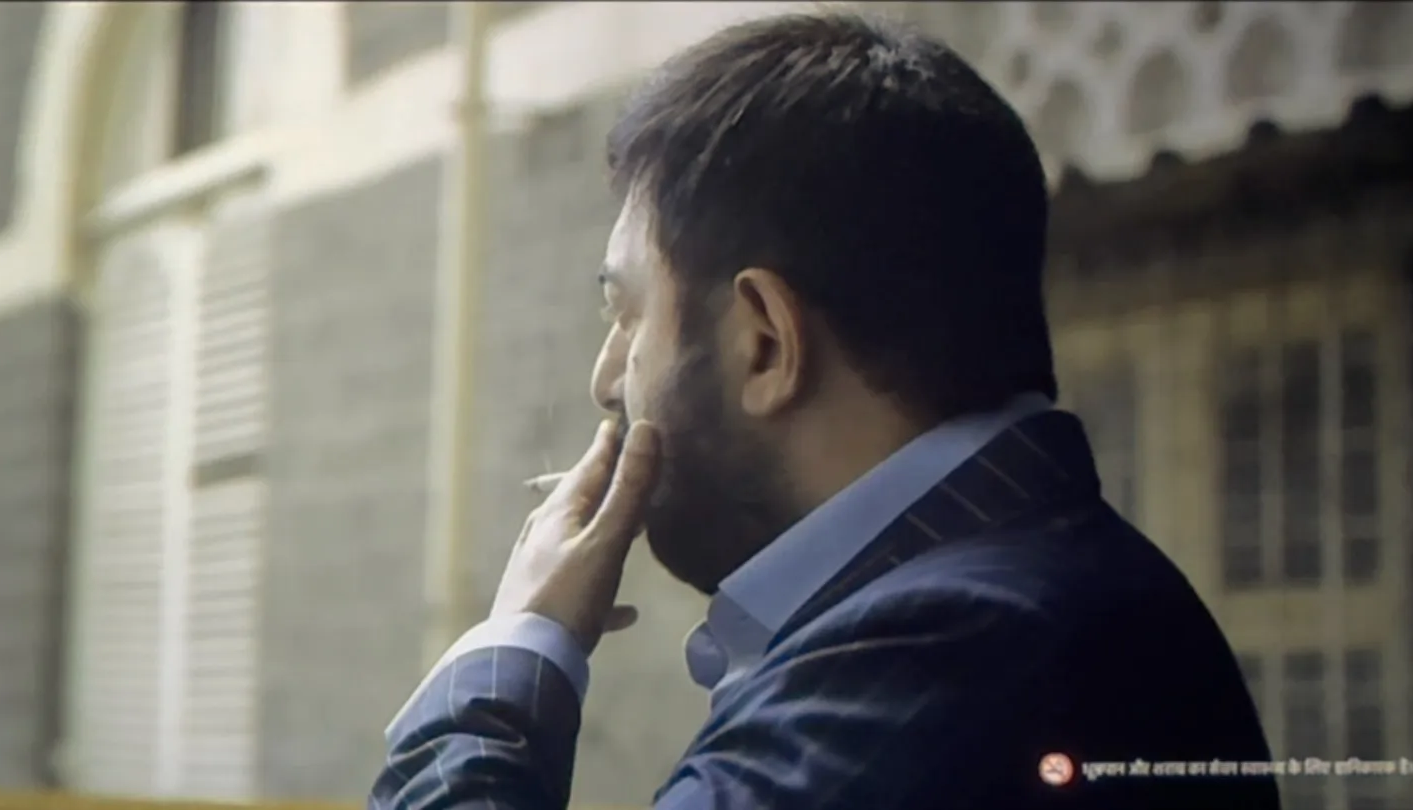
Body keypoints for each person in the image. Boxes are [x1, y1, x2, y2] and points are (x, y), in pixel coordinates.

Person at [371, 11, 1278, 810]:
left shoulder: (946, 646)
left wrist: (514, 652)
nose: (607, 379)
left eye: (627, 313)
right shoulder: (1041, 591)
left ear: (765, 342)